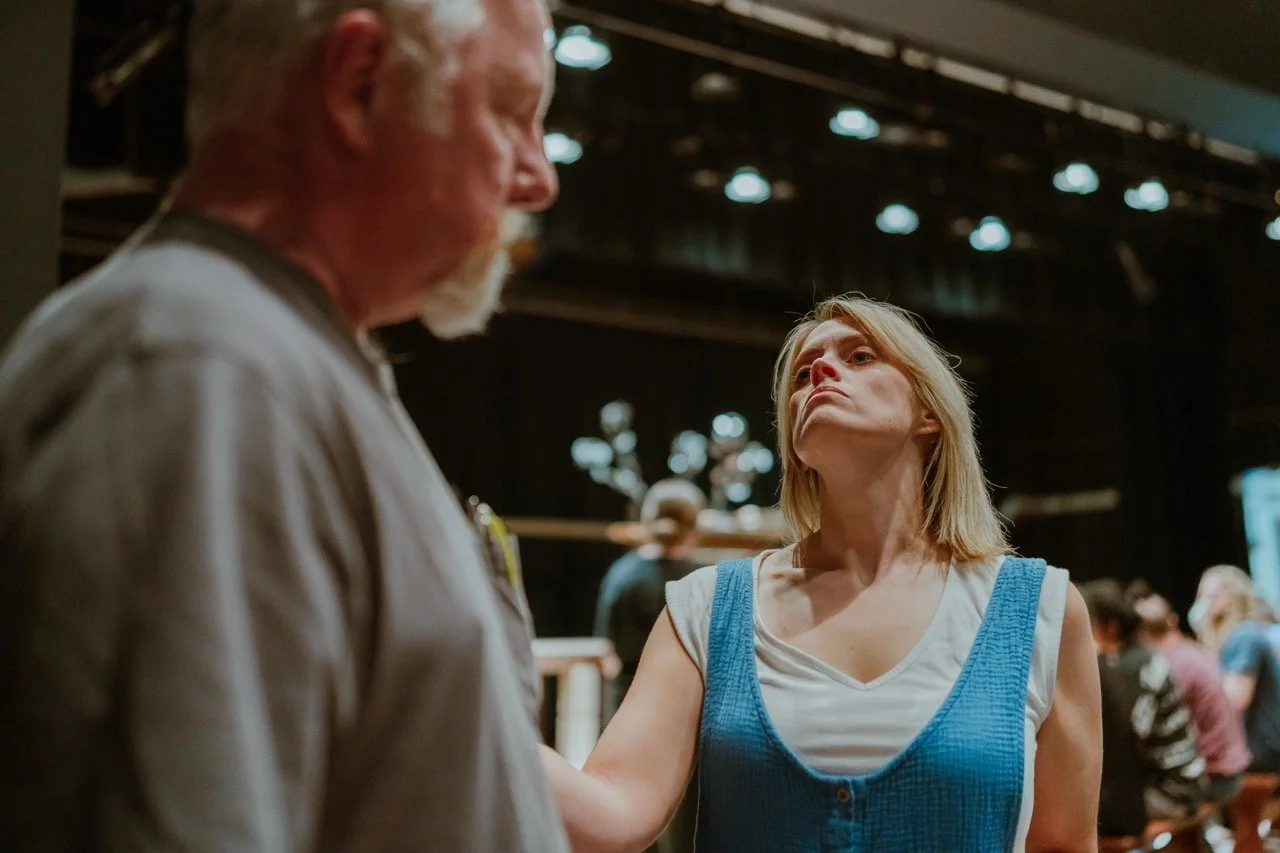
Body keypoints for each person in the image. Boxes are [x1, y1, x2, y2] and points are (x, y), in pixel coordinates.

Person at [0, 0, 565, 850]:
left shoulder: (270, 360)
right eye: (512, 112)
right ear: (360, 84)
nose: (538, 176)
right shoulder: (204, 369)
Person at [542, 295, 1103, 852]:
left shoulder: (1040, 609)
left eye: (860, 357)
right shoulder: (706, 608)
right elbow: (611, 814)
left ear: (929, 414)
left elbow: (1063, 844)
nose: (820, 374)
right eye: (803, 375)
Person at [593, 479, 705, 853]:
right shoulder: (703, 583)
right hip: (690, 716)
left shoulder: (621, 575)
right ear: (694, 525)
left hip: (625, 707)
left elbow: (608, 653)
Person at [1079, 580, 1208, 821]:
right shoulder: (1140, 657)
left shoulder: (1131, 668)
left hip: (1175, 791)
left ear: (1110, 627)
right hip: (1187, 780)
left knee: (1079, 814)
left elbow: (1124, 739)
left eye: (1087, 625)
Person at [1128, 582, 1251, 805]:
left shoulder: (1168, 666)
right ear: (1172, 620)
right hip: (1233, 765)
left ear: (1139, 634)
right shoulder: (1193, 650)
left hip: (1216, 776)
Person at [1191, 565, 1280, 853]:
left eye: (1211, 595)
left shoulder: (1245, 636)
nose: (1204, 603)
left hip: (1260, 751)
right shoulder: (1241, 636)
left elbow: (1234, 699)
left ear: (1232, 595)